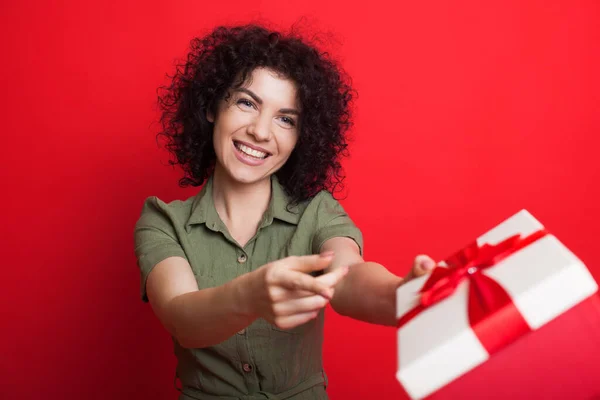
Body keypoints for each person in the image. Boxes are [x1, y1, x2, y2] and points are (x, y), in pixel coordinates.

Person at [134, 24, 435, 400]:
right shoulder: (163, 222)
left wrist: (406, 294)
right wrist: (251, 296)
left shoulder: (317, 211)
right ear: (212, 106)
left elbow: (349, 276)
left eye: (285, 119)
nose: (261, 132)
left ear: (300, 137)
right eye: (247, 103)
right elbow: (183, 320)